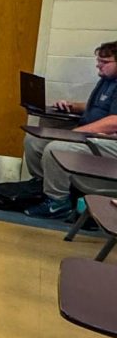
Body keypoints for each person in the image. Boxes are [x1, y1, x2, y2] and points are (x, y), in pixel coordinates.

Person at [24, 41, 117, 219]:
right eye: (98, 60)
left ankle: (57, 203)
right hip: (91, 135)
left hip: (107, 140)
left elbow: (113, 122)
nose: (98, 65)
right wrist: (73, 106)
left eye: (104, 62)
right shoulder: (106, 81)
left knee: (55, 148)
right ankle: (43, 186)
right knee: (34, 141)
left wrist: (75, 134)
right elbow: (98, 109)